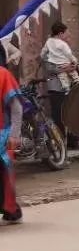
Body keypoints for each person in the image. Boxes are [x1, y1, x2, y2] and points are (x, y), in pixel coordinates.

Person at [40, 20, 79, 149]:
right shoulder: (48, 49)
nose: (68, 36)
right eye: (66, 33)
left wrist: (74, 66)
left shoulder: (63, 46)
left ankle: (74, 141)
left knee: (73, 111)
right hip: (56, 86)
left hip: (70, 85)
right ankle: (60, 141)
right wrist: (64, 69)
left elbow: (73, 63)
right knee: (58, 113)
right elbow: (48, 66)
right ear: (60, 33)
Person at [0, 42, 23, 224]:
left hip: (3, 134)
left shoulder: (3, 75)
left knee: (5, 177)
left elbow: (16, 108)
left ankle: (11, 210)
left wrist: (14, 135)